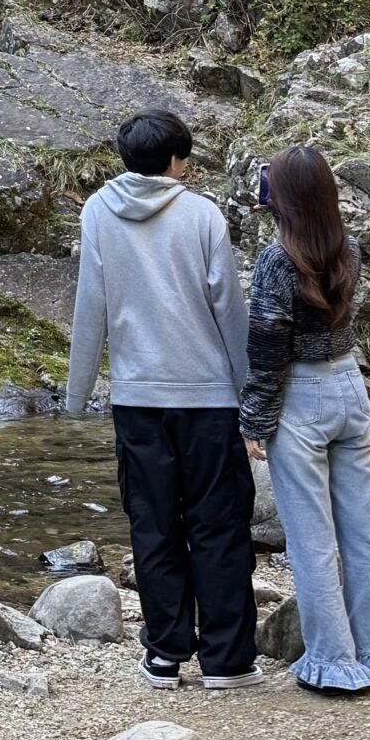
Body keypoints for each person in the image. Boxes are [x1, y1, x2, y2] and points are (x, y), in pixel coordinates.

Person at [64, 108, 259, 690]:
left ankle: (165, 655)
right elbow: (227, 306)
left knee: (153, 527)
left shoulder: (98, 210)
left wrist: (77, 395)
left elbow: (89, 303)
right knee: (219, 527)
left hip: (137, 398)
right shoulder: (202, 214)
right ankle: (227, 660)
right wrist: (251, 392)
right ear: (177, 161)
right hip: (210, 400)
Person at [239, 142, 370, 695]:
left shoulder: (276, 259)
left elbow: (268, 349)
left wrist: (253, 422)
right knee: (365, 529)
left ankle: (334, 660)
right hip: (349, 388)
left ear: (283, 197)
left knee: (312, 539)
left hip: (301, 394)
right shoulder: (350, 248)